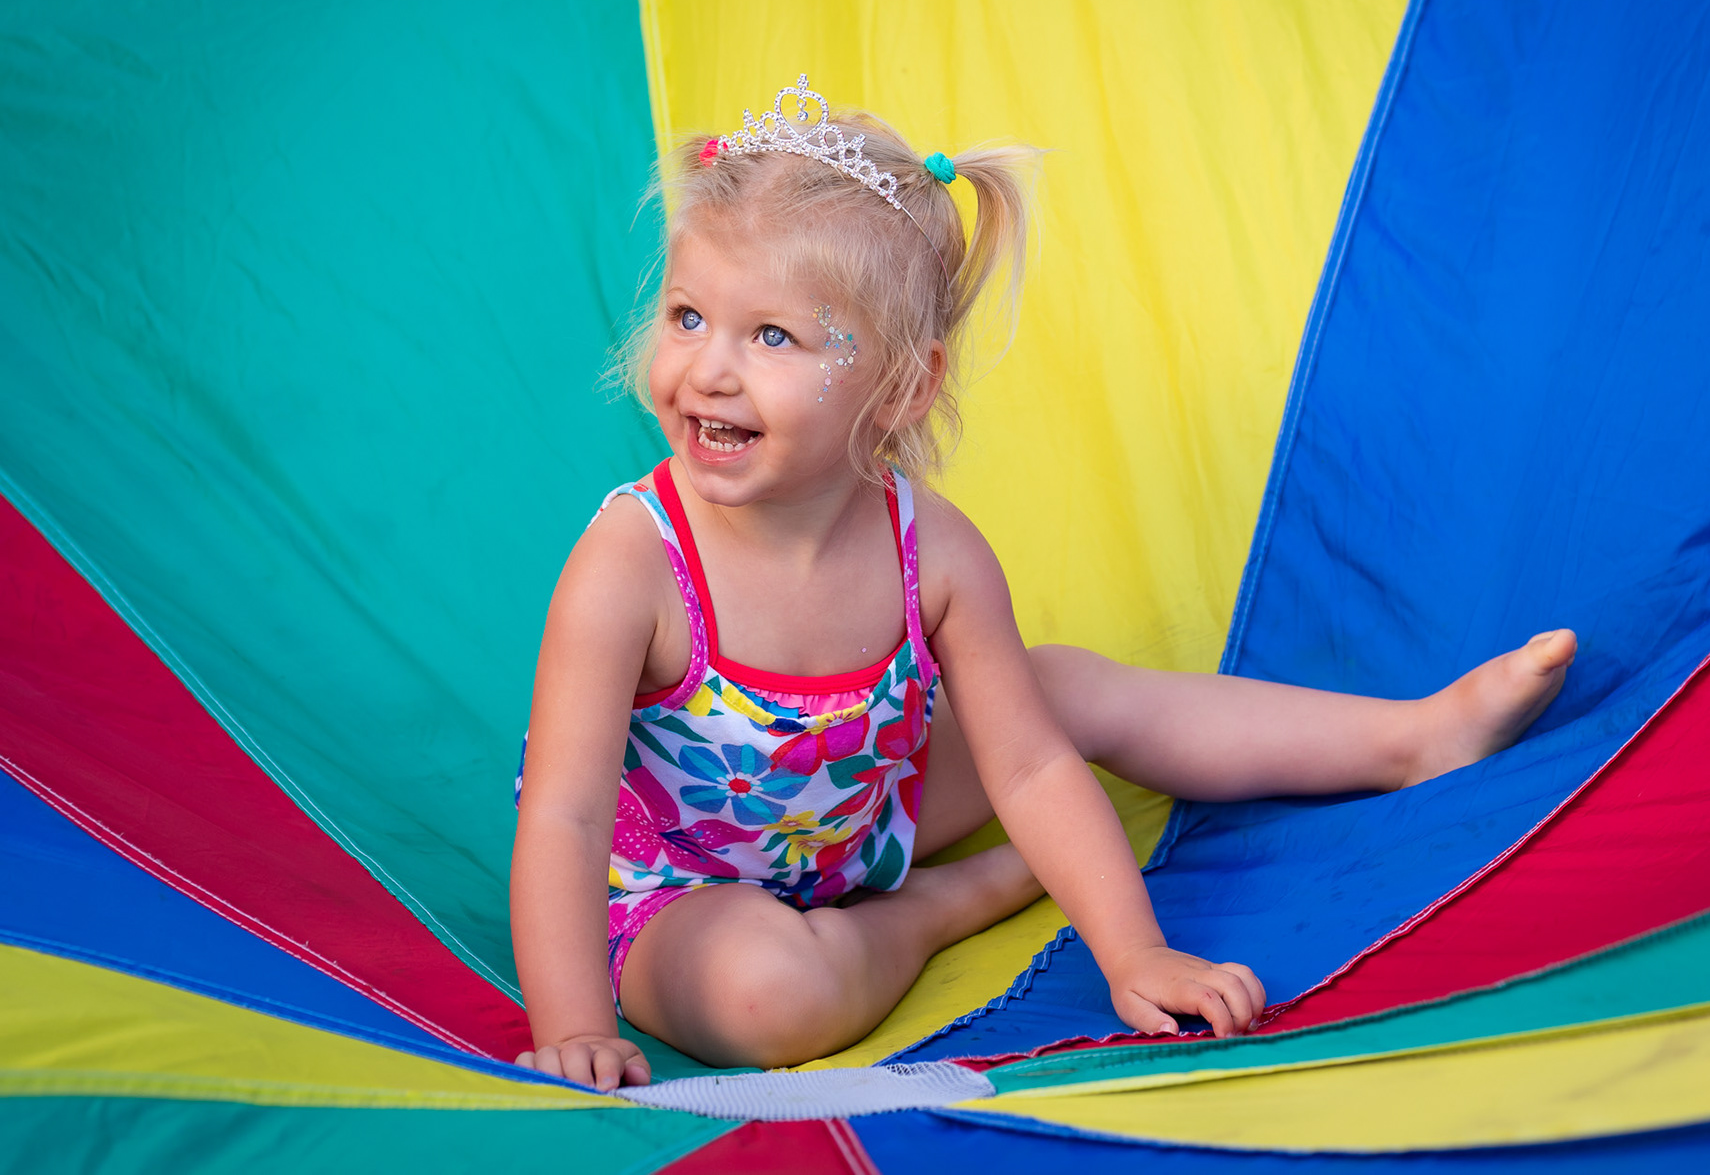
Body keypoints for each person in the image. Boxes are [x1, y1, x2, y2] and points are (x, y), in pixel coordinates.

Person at [510, 76, 1577, 1090]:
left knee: (1061, 691)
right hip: (672, 889)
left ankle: (1413, 738)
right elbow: (563, 816)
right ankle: (944, 906)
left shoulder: (935, 549)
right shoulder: (632, 564)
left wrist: (1137, 956)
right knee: (768, 996)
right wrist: (571, 1029)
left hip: (860, 814)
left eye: (772, 335)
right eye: (690, 317)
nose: (707, 369)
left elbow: (1024, 771)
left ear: (900, 385)